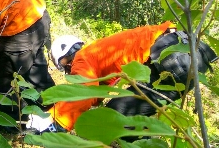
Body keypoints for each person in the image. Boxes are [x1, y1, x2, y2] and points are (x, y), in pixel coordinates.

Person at [26, 22, 218, 134]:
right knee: (132, 121)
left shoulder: (84, 57)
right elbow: (96, 91)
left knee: (114, 117)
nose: (71, 72)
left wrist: (55, 122)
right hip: (187, 51)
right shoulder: (100, 52)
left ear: (68, 57)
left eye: (67, 67)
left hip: (172, 58)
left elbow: (83, 91)